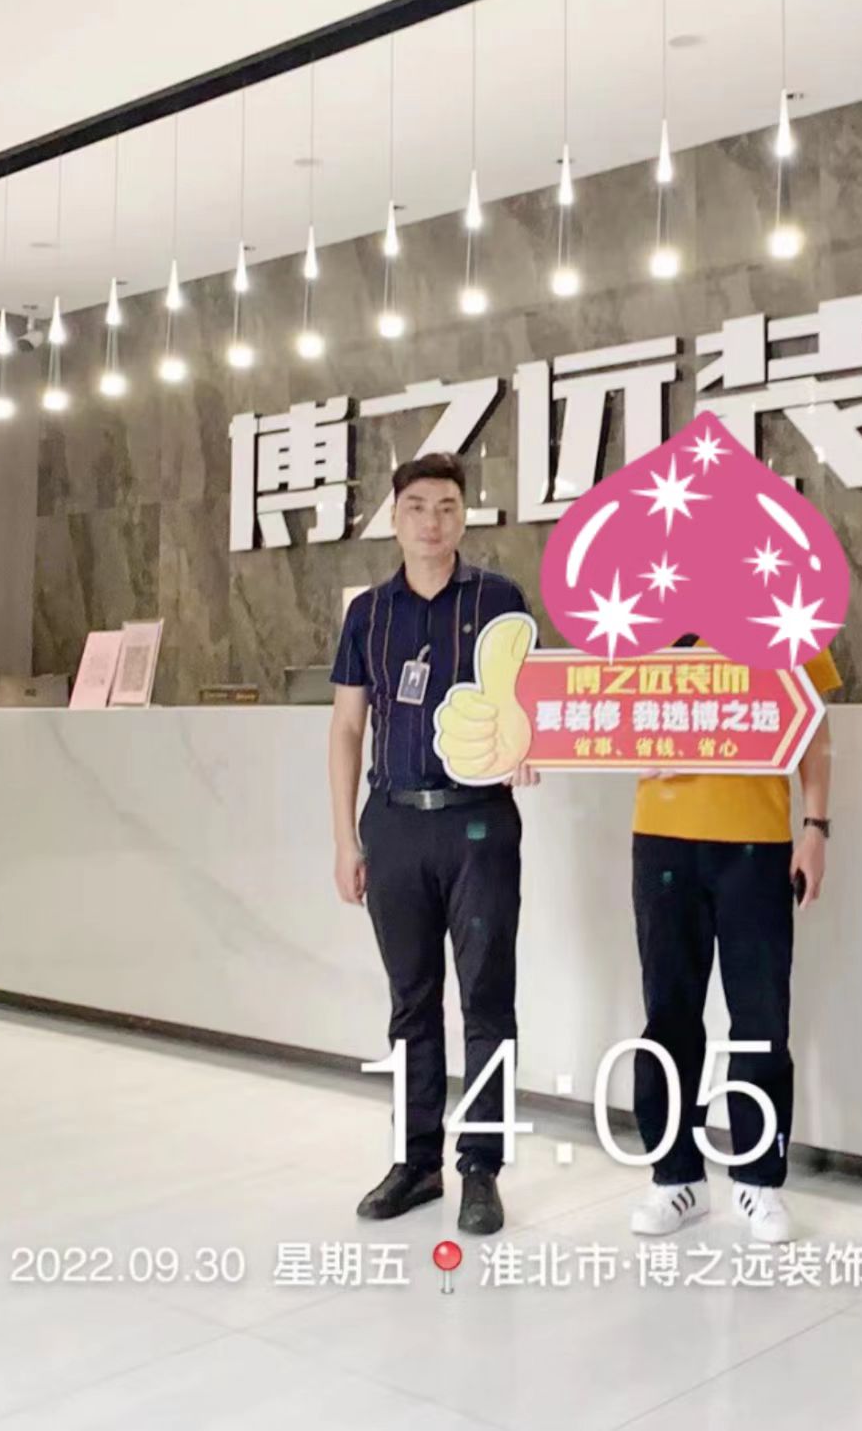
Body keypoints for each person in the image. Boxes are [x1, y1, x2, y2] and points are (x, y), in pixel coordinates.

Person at [328, 451, 538, 1236]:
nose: (431, 521)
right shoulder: (368, 614)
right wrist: (344, 838)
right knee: (410, 1000)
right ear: (395, 518)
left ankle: (481, 1167)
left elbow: (530, 704)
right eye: (416, 506)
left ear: (463, 516)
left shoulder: (499, 600)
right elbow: (346, 728)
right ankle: (414, 1163)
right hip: (393, 822)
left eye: (447, 506)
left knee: (487, 998)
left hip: (479, 823)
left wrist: (530, 744)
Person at [628, 633, 839, 1244]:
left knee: (761, 1017)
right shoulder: (643, 616)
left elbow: (813, 728)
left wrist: (816, 828)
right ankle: (675, 1178)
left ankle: (758, 1181)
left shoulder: (782, 615)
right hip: (663, 839)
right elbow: (606, 712)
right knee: (668, 1014)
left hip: (757, 842)